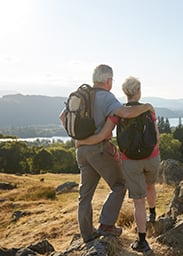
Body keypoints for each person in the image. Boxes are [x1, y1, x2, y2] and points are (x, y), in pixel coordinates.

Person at [59, 64, 154, 243]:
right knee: (119, 184)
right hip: (99, 149)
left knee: (84, 194)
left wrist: (79, 138)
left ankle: (87, 235)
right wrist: (146, 107)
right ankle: (106, 225)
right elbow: (125, 112)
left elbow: (63, 117)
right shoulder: (106, 97)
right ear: (108, 81)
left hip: (81, 150)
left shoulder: (81, 95)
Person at [77, 76, 160, 254]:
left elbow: (103, 134)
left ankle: (142, 241)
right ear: (139, 91)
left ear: (124, 92)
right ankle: (152, 214)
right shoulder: (147, 110)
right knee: (147, 185)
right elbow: (157, 137)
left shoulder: (114, 111)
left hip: (129, 161)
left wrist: (81, 142)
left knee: (138, 202)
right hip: (152, 157)